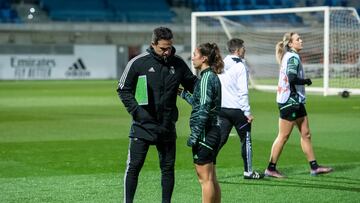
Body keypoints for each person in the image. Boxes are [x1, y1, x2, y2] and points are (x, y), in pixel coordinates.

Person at [117, 27, 197, 203]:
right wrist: (137, 112)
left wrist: (208, 79)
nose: (166, 51)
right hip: (142, 126)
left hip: (167, 126)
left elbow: (194, 85)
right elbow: (123, 89)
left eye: (169, 47)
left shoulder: (178, 64)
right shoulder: (138, 63)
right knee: (134, 167)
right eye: (162, 48)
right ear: (152, 44)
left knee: (168, 169)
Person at [264, 32, 333, 178]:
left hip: (295, 102)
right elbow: (292, 78)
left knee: (306, 134)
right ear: (290, 43)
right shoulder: (293, 57)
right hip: (291, 102)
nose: (301, 40)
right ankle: (271, 168)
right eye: (298, 39)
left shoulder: (289, 56)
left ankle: (314, 167)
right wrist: (306, 81)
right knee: (283, 136)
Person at [179, 42, 223, 203]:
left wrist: (195, 135)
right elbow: (201, 103)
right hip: (214, 130)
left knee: (204, 179)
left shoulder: (206, 78)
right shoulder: (211, 76)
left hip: (206, 132)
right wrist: (183, 93)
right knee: (211, 178)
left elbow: (203, 109)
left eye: (195, 55)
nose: (192, 58)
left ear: (204, 58)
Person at [217, 38, 264, 179]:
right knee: (246, 140)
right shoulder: (241, 66)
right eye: (243, 48)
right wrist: (247, 112)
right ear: (237, 50)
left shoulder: (222, 63)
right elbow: (243, 91)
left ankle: (206, 167)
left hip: (222, 109)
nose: (245, 50)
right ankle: (248, 172)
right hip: (237, 110)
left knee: (220, 140)